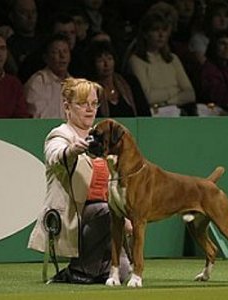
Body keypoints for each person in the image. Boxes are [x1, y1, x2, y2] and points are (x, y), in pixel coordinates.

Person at [28, 77, 131, 284]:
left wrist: (126, 214)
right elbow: (55, 155)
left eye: (94, 104)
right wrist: (72, 150)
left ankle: (94, 270)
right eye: (82, 104)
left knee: (124, 274)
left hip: (104, 216)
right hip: (72, 218)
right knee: (105, 211)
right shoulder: (59, 135)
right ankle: (80, 270)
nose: (89, 109)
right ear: (67, 106)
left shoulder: (101, 138)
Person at [128, 10, 196, 116]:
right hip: (154, 115)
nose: (161, 35)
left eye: (164, 30)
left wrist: (167, 102)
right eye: (155, 30)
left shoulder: (173, 59)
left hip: (178, 112)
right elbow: (148, 97)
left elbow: (190, 94)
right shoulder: (136, 60)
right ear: (146, 34)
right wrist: (175, 90)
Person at [85, 40, 151, 117]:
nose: (106, 64)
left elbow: (144, 113)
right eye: (100, 61)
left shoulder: (130, 82)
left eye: (109, 59)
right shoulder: (88, 90)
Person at [24, 34, 71, 118]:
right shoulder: (37, 82)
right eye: (56, 52)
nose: (62, 56)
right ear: (46, 58)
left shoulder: (76, 85)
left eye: (65, 51)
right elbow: (37, 117)